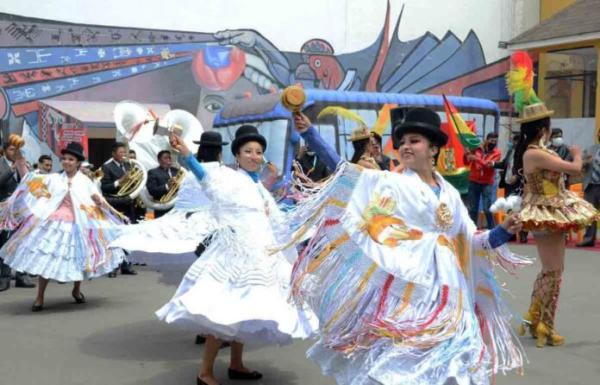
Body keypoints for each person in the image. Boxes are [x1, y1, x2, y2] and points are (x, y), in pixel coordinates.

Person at [290, 108, 527, 385]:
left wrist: (502, 231)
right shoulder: (393, 182)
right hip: (409, 284)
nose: (404, 146)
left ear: (433, 148)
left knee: (450, 358)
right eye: (401, 142)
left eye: (414, 140)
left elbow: (472, 241)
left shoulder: (450, 192)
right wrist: (310, 133)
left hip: (449, 290)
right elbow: (347, 172)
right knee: (401, 358)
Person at [161, 126, 316, 385]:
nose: (254, 156)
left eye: (259, 152)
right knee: (223, 312)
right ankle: (205, 372)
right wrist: (187, 153)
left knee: (246, 310)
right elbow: (204, 178)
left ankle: (236, 364)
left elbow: (276, 221)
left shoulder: (259, 187)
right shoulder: (228, 178)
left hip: (261, 255)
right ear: (237, 155)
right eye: (248, 151)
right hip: (235, 255)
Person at [507, 51, 598, 347]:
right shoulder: (535, 152)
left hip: (551, 209)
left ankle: (537, 320)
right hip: (544, 212)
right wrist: (574, 155)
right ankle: (543, 323)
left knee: (552, 271)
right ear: (542, 128)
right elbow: (573, 169)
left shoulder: (535, 151)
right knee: (553, 272)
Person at [0, 142, 126, 311]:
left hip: (78, 224)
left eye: (71, 159)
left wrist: (101, 204)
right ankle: (39, 297)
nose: (66, 162)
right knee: (46, 258)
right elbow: (29, 180)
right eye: (65, 159)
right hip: (54, 224)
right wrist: (19, 157)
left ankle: (76, 290)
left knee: (79, 258)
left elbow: (98, 201)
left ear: (78, 162)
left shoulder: (85, 181)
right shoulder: (54, 179)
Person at [0, 139, 36, 291]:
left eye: (17, 150)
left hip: (21, 209)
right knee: (5, 242)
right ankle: (4, 277)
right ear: (4, 150)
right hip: (4, 208)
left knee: (23, 241)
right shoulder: (1, 164)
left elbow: (29, 185)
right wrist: (11, 169)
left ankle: (22, 276)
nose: (15, 153)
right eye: (11, 150)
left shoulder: (22, 163)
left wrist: (26, 171)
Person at [100, 142, 137, 276]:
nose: (124, 155)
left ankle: (126, 264)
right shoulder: (107, 167)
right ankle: (112, 266)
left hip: (128, 203)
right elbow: (105, 187)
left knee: (127, 235)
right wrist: (120, 181)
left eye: (125, 152)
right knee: (114, 236)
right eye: (121, 152)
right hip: (115, 205)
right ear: (114, 154)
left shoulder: (129, 165)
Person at [465, 132, 501, 229]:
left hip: (487, 184)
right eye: (491, 140)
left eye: (495, 141)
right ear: (486, 139)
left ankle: (492, 230)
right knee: (472, 209)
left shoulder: (497, 153)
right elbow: (466, 162)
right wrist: (466, 154)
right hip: (473, 181)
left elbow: (488, 165)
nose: (493, 143)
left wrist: (476, 158)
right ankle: (472, 230)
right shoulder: (477, 148)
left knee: (487, 209)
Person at [576, 131, 600, 247]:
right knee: (589, 214)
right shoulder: (590, 149)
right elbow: (578, 165)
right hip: (590, 185)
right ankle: (589, 239)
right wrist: (586, 162)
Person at [146, 150, 179, 218]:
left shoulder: (176, 171)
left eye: (169, 158)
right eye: (165, 158)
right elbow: (152, 191)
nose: (168, 160)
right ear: (159, 160)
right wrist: (167, 186)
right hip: (162, 208)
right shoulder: (153, 172)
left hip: (177, 207)